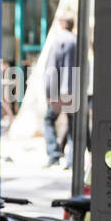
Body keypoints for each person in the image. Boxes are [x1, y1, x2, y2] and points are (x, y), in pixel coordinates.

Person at [43, 13, 77, 169]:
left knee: (49, 120)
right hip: (74, 90)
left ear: (62, 24)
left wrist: (49, 93)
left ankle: (54, 155)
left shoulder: (58, 41)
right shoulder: (77, 42)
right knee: (73, 125)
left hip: (59, 91)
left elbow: (51, 70)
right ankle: (71, 160)